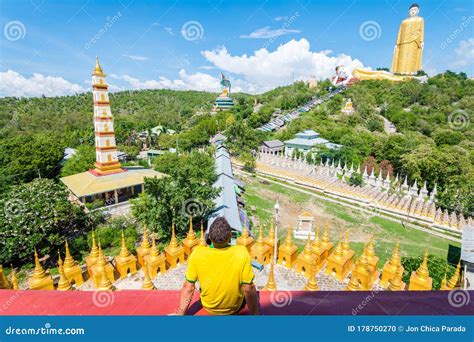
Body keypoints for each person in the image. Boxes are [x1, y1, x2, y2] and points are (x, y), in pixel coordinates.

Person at [173, 217, 259, 315]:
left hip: (209, 307)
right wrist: (255, 314)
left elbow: (188, 287)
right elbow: (248, 288)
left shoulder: (197, 253)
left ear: (209, 237)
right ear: (230, 236)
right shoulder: (241, 252)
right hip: (234, 308)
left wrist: (180, 313)